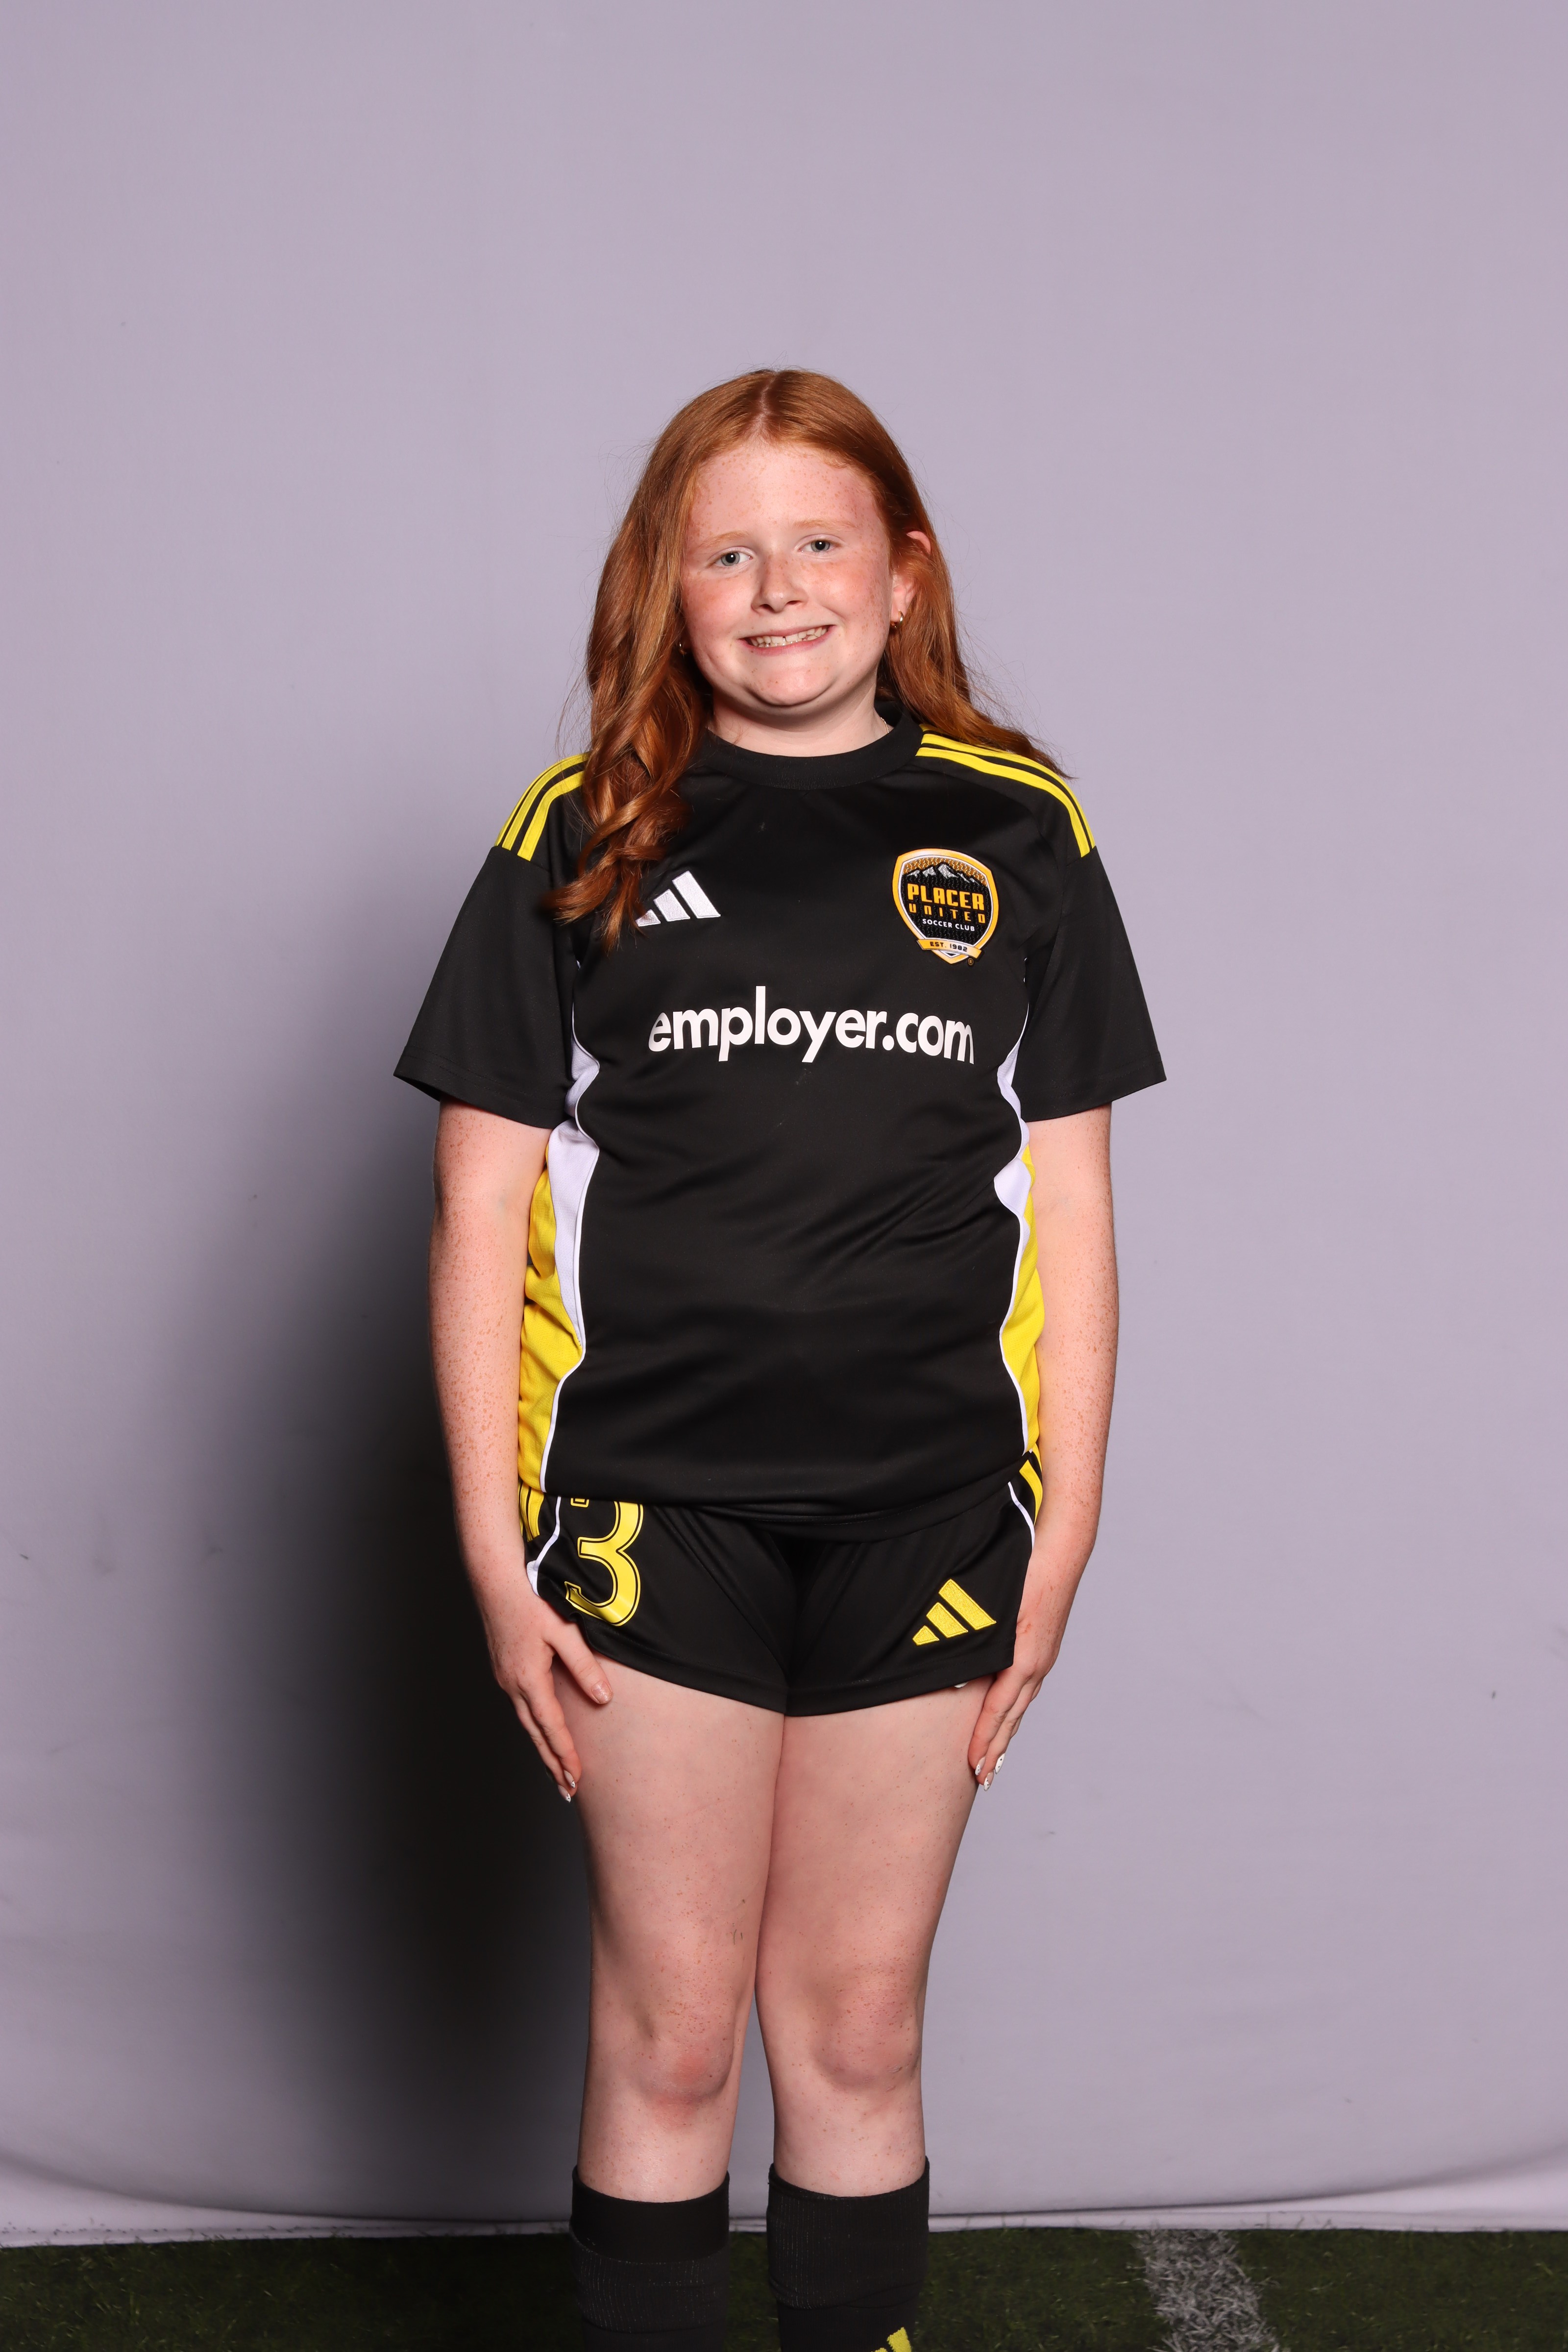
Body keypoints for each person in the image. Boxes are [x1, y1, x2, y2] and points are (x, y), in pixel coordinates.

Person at [395, 370, 1163, 2352]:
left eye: (818, 541)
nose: (776, 586)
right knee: (669, 2032)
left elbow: (1071, 1211)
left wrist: (1067, 1525)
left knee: (856, 2024)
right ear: (666, 592)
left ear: (903, 574)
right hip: (652, 1515)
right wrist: (490, 1554)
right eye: (723, 552)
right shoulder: (579, 833)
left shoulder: (1020, 828)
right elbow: (479, 1214)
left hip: (932, 1511)